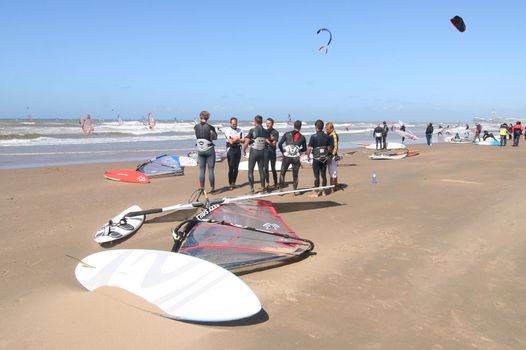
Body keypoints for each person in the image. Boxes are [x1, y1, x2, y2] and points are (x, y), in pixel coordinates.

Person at [243, 115, 270, 193]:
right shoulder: (266, 131)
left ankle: (252, 189)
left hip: (254, 152)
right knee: (261, 171)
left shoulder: (252, 130)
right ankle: (263, 187)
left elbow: (246, 142)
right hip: (262, 152)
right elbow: (267, 140)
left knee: (250, 171)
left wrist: (244, 150)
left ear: (255, 121)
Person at [306, 120, 334, 197]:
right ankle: (324, 191)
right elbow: (330, 148)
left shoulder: (313, 137)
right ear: (322, 127)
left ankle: (316, 192)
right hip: (324, 159)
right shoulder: (328, 137)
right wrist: (328, 155)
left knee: (316, 175)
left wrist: (308, 156)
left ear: (316, 127)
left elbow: (309, 148)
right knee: (323, 175)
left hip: (316, 159)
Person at [278, 120, 307, 192]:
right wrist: (298, 151)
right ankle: (294, 190)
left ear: (294, 126)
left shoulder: (287, 134)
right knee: (295, 174)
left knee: (282, 172)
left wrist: (283, 152)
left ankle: (281, 189)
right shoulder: (302, 137)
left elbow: (279, 144)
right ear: (300, 127)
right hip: (295, 158)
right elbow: (305, 149)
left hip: (287, 156)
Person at [194, 111, 217, 193]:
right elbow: (215, 138)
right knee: (210, 169)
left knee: (201, 170)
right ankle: (212, 188)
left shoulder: (196, 127)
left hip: (200, 150)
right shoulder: (211, 127)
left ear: (200, 117)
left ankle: (202, 188)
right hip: (209, 150)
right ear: (208, 118)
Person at [224, 117, 243, 190]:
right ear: (230, 123)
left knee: (236, 168)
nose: (235, 125)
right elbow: (231, 142)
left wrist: (236, 138)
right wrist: (238, 138)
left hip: (238, 149)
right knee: (231, 167)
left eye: (236, 124)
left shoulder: (240, 130)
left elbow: (243, 140)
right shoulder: (228, 131)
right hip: (230, 149)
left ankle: (234, 183)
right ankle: (230, 183)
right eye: (233, 124)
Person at [264, 117, 279, 190]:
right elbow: (264, 140)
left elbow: (274, 144)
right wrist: (270, 139)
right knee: (266, 169)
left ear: (272, 124)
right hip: (265, 151)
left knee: (273, 168)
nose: (267, 125)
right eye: (266, 123)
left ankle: (276, 184)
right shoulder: (264, 131)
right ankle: (268, 184)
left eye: (269, 123)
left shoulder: (275, 132)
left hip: (272, 152)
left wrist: (267, 140)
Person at [325, 122, 339, 192]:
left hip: (332, 156)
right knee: (332, 172)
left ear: (331, 128)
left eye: (327, 129)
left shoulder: (334, 135)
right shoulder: (330, 135)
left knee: (332, 172)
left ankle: (333, 187)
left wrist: (331, 156)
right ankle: (333, 186)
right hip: (331, 155)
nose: (326, 130)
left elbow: (335, 147)